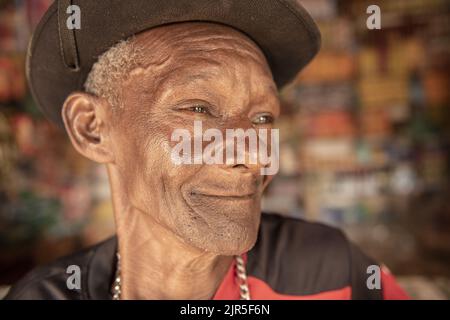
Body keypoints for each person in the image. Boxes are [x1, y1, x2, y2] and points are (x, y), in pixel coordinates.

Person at [6, 0, 408, 300]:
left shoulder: (328, 273)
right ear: (92, 128)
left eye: (264, 118)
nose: (252, 154)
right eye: (198, 108)